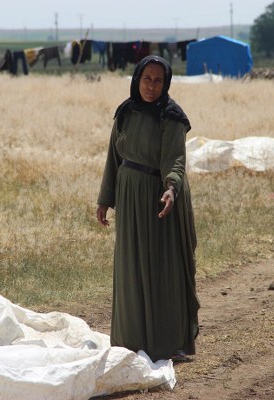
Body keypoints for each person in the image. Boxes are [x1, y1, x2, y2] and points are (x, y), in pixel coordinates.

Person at [96, 55, 199, 362]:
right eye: (146, 79)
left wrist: (170, 188)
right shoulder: (125, 112)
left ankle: (164, 340)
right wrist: (105, 198)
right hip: (128, 196)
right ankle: (130, 338)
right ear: (137, 79)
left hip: (157, 199)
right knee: (130, 264)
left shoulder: (172, 117)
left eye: (158, 81)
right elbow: (114, 158)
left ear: (165, 84)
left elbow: (175, 159)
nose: (151, 86)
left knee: (159, 267)